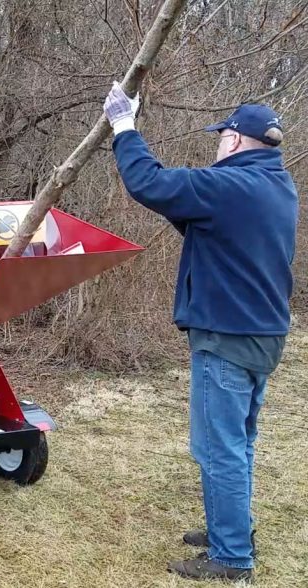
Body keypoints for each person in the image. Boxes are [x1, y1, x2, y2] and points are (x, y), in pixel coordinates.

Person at [102, 83, 299, 582]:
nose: (217, 146)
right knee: (240, 442)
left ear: (233, 140)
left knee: (219, 448)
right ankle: (229, 530)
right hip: (262, 335)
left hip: (227, 338)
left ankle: (231, 558)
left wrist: (124, 126)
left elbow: (148, 182)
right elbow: (205, 224)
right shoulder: (277, 187)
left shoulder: (228, 187)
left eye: (220, 137)